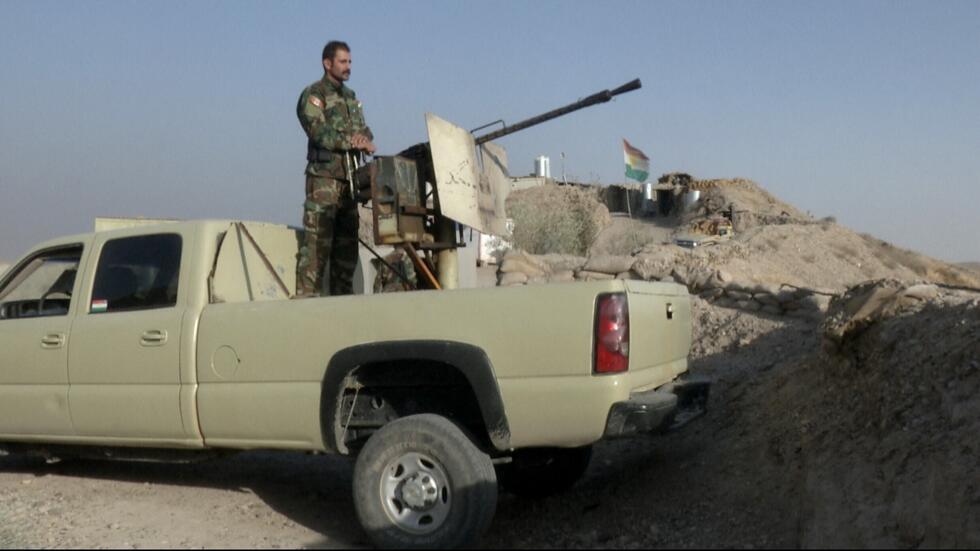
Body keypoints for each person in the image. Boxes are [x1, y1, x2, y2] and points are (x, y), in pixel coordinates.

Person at [295, 40, 376, 297]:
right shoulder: (314, 94)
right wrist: (350, 141)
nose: (348, 66)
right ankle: (306, 300)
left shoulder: (350, 98)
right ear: (327, 63)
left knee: (346, 249)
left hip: (348, 183)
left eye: (349, 61)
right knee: (316, 247)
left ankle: (341, 303)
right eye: (342, 61)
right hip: (324, 181)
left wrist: (364, 139)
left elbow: (364, 129)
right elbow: (318, 131)